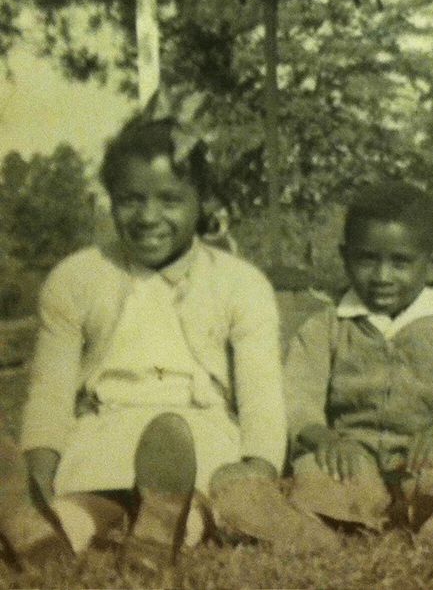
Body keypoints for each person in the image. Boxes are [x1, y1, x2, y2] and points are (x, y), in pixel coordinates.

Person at [1, 93, 335, 576]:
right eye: (130, 200)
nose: (148, 216)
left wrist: (258, 472)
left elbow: (262, 398)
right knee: (85, 501)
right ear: (111, 199)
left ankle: (163, 530)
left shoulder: (239, 283)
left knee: (196, 499)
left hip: (198, 430)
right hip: (107, 426)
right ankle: (42, 530)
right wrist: (39, 470)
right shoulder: (77, 278)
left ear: (203, 203)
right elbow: (50, 393)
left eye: (170, 199)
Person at [283, 180, 433, 545]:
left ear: (432, 263)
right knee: (312, 473)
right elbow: (298, 401)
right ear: (346, 257)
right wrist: (325, 439)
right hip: (351, 461)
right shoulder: (325, 327)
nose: (382, 276)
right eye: (367, 259)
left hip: (421, 462)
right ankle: (348, 516)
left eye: (400, 262)